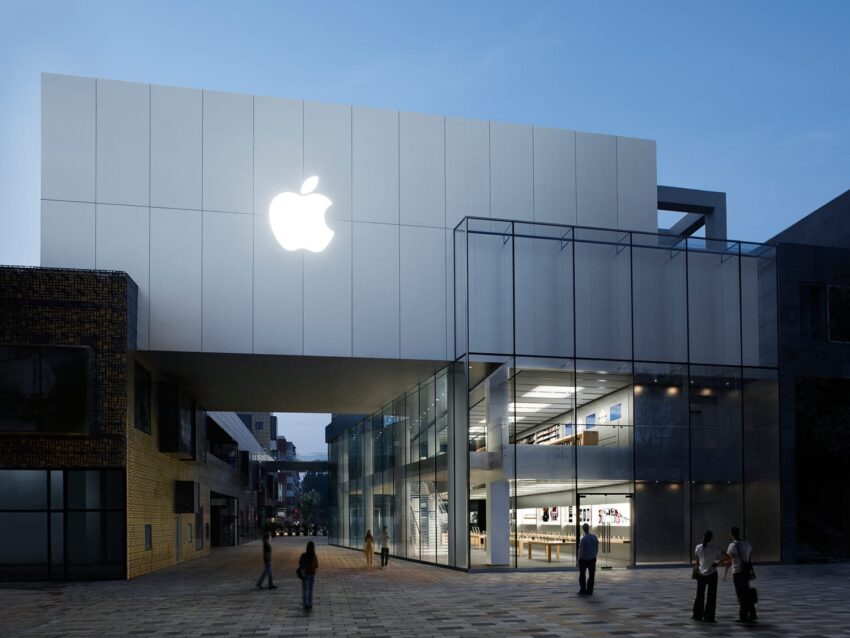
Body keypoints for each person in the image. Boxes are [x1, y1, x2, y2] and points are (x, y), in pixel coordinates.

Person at [724, 526, 757, 623]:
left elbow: (728, 561)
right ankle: (752, 614)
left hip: (738, 572)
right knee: (746, 592)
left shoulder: (732, 546)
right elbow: (749, 559)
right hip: (746, 572)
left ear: (731, 534)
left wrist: (725, 574)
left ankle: (743, 616)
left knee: (741, 594)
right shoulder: (747, 544)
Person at [692, 530, 725, 622]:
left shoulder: (698, 547)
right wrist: (717, 563)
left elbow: (697, 562)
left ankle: (697, 615)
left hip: (701, 573)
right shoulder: (715, 547)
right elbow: (727, 556)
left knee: (700, 594)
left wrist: (700, 568)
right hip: (712, 573)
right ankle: (709, 616)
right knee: (711, 596)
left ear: (703, 536)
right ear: (711, 538)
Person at [577, 523, 599, 595]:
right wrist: (595, 555)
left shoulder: (583, 539)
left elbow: (581, 550)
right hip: (592, 559)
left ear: (583, 529)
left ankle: (583, 589)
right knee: (591, 575)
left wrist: (579, 559)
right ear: (588, 528)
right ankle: (590, 590)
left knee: (582, 575)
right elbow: (597, 547)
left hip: (583, 559)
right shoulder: (594, 537)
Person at [298, 540, 319, 610]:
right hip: (312, 574)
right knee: (311, 590)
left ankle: (305, 604)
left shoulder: (303, 555)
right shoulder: (314, 556)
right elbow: (316, 566)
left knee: (305, 590)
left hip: (305, 574)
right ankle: (310, 604)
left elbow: (300, 564)